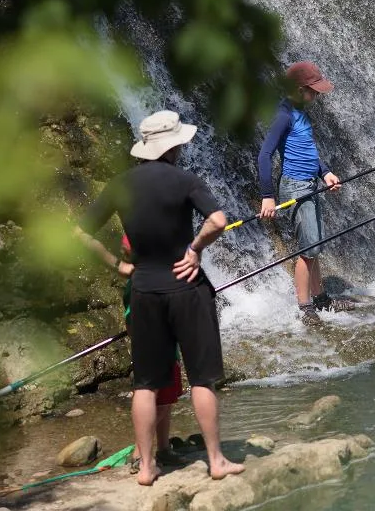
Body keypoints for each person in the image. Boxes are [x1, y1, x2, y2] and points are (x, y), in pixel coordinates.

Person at [75, 110, 244, 486]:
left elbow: (80, 233)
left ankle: (148, 466)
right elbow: (217, 221)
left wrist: (117, 265)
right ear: (174, 145)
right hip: (186, 287)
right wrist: (195, 248)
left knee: (145, 384)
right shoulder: (185, 180)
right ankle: (216, 460)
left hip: (144, 287)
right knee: (202, 379)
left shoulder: (119, 184)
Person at [257, 61, 354, 327]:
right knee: (307, 251)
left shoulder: (301, 112)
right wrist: (268, 196)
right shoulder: (284, 115)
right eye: (314, 91)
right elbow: (264, 155)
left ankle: (321, 299)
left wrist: (325, 173)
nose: (318, 95)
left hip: (311, 183)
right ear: (300, 89)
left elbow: (308, 151)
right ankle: (305, 307)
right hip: (295, 187)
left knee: (314, 247)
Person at [120, 234, 184, 474]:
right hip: (158, 349)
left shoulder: (139, 281)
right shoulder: (143, 284)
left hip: (159, 348)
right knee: (162, 403)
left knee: (166, 401)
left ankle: (164, 448)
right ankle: (140, 451)